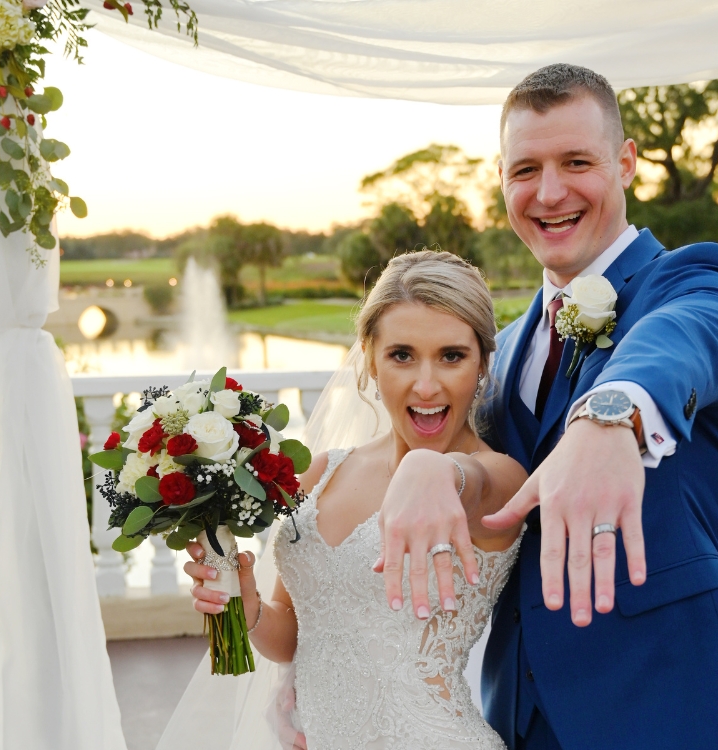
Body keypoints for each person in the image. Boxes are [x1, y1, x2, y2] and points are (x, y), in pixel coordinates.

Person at [375, 64, 718, 749]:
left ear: (625, 163)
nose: (550, 192)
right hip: (517, 719)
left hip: (670, 716)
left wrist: (609, 414)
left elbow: (679, 343)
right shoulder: (497, 351)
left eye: (575, 162)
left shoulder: (697, 281)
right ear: (501, 179)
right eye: (525, 169)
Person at [185, 250, 528, 749]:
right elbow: (295, 638)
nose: (426, 384)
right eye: (402, 355)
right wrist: (246, 602)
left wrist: (435, 469)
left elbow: (469, 482)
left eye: (452, 356)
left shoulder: (500, 478)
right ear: (369, 359)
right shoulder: (325, 471)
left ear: (481, 365)